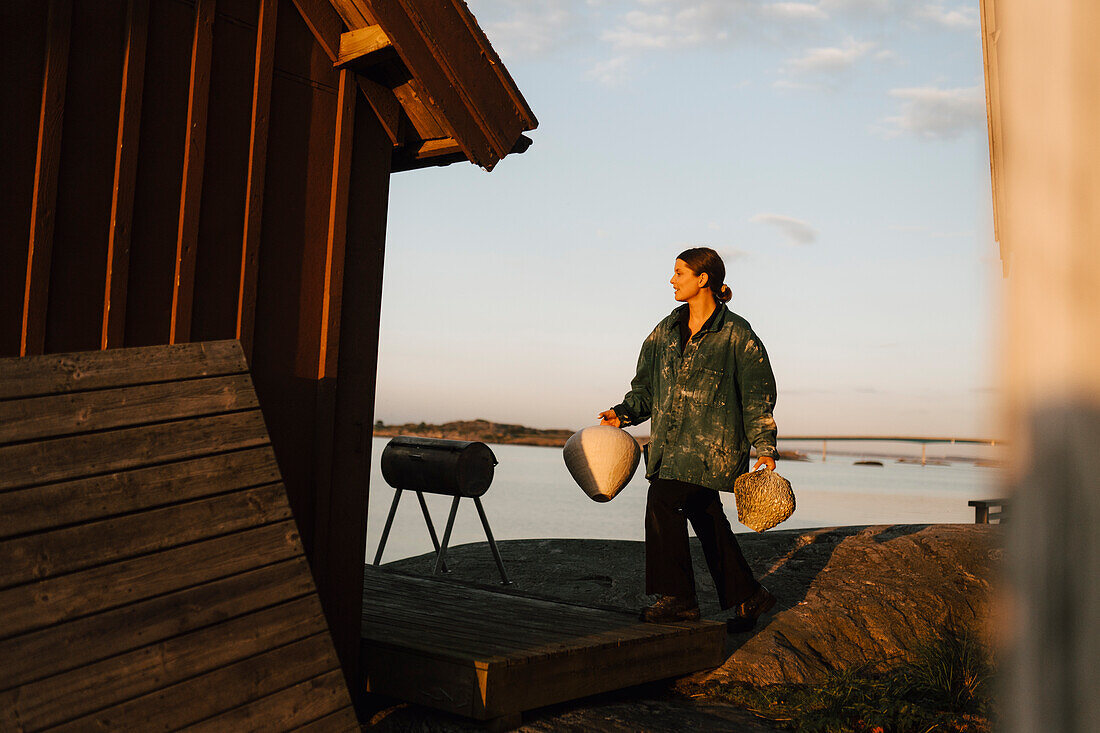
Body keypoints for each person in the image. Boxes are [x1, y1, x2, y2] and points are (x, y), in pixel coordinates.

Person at [598, 247, 779, 632]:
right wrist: (624, 413)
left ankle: (679, 600)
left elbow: (758, 396)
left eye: (679, 272)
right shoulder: (664, 330)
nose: (672, 279)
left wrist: (765, 447)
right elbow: (645, 388)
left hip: (712, 452)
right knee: (707, 516)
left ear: (703, 279)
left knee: (663, 501)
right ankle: (749, 596)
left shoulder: (737, 335)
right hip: (671, 449)